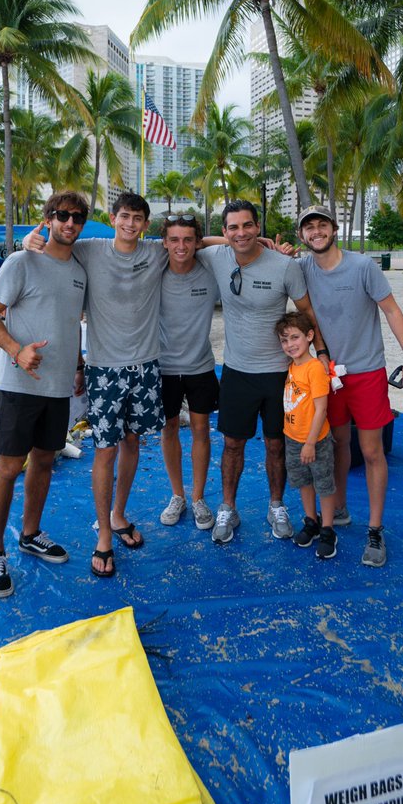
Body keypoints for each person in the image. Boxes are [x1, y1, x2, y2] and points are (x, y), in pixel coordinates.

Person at [25, 191, 169, 578]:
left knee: (133, 443)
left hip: (146, 366)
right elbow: (52, 242)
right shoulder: (90, 249)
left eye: (138, 218)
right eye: (124, 216)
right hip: (104, 369)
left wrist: (256, 241)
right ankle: (104, 534)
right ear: (112, 217)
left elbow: (197, 242)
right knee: (104, 452)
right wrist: (28, 240)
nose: (130, 224)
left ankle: (119, 514)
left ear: (146, 223)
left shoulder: (156, 252)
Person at [0, 191, 88, 598]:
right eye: (62, 216)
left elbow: (72, 322)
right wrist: (16, 350)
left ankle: (30, 534)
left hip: (57, 386)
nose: (70, 223)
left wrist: (77, 365)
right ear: (49, 218)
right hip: (18, 385)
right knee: (8, 467)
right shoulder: (21, 262)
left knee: (44, 460)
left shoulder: (79, 269)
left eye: (77, 217)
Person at [295, 206, 403, 568]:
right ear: (302, 235)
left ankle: (376, 530)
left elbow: (392, 310)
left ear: (334, 229)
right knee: (334, 444)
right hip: (326, 374)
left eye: (322, 225)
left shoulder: (363, 266)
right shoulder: (301, 269)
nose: (316, 232)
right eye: (309, 228)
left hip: (366, 371)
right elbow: (249, 245)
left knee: (372, 450)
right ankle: (340, 509)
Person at [198, 199, 326, 547]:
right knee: (232, 444)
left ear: (259, 228)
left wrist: (322, 353)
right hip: (237, 372)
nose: (241, 233)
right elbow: (193, 241)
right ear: (225, 232)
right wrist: (227, 242)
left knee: (275, 445)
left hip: (279, 375)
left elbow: (308, 313)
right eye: (233, 228)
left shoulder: (285, 266)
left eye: (248, 226)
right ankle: (228, 507)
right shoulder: (217, 257)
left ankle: (276, 505)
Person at [158, 213, 220, 532]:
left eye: (188, 239)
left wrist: (204, 242)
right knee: (168, 430)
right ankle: (177, 495)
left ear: (198, 242)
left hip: (200, 366)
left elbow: (234, 245)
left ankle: (197, 498)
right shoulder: (154, 270)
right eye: (174, 239)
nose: (181, 246)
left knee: (200, 430)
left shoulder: (210, 271)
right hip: (164, 368)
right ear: (164, 242)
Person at [276, 310, 337, 560]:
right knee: (303, 481)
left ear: (309, 336)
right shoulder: (292, 367)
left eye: (295, 337)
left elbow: (321, 408)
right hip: (292, 438)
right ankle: (311, 521)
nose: (290, 344)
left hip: (316, 441)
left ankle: (328, 530)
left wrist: (311, 442)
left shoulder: (314, 369)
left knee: (323, 484)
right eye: (284, 340)